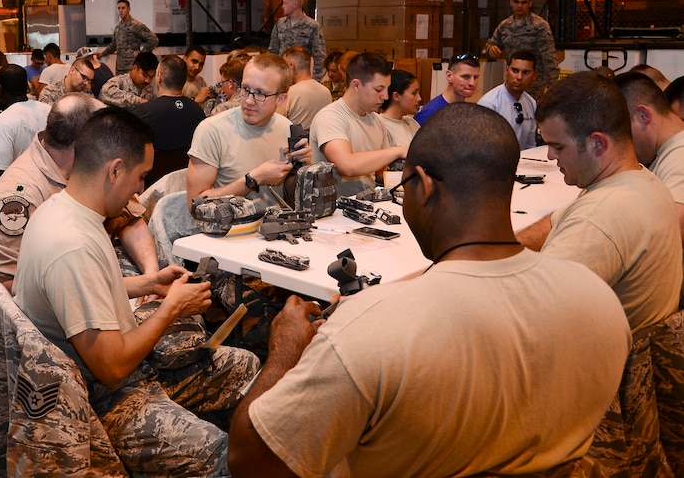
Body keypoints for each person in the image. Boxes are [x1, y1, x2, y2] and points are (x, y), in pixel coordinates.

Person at [227, 103, 632, 478]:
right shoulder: (601, 303)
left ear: (422, 185)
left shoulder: (365, 332)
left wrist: (285, 353)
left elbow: (251, 462)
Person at [12, 107, 259, 477]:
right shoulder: (73, 244)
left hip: (113, 371)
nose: (141, 189)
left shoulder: (64, 212)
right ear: (114, 170)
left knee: (244, 367)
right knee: (220, 454)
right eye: (141, 176)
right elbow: (111, 368)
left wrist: (148, 283)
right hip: (100, 398)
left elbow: (81, 290)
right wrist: (170, 308)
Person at [517, 71, 682, 333]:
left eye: (558, 147)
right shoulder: (643, 181)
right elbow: (556, 221)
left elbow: (527, 315)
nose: (549, 156)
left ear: (598, 144)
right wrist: (502, 249)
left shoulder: (598, 219)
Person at [0, 93, 157, 289]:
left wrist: (151, 275)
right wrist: (134, 286)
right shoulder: (19, 198)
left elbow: (131, 217)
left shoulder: (93, 167)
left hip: (92, 277)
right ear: (85, 139)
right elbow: (6, 286)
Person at [187, 53, 312, 210]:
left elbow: (290, 195)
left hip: (276, 226)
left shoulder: (286, 127)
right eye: (246, 89)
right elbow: (195, 205)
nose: (248, 101)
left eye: (260, 93)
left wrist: (303, 169)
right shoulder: (211, 130)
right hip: (230, 230)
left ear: (280, 99)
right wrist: (253, 179)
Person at [310, 52, 407, 195]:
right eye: (378, 89)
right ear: (356, 85)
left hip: (366, 206)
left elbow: (379, 174)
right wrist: (398, 150)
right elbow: (347, 165)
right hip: (333, 212)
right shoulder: (330, 117)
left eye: (387, 89)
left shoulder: (377, 120)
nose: (385, 96)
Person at [615, 70, 684, 246]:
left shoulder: (679, 153)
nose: (621, 140)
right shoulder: (666, 151)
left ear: (643, 116)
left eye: (621, 130)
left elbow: (676, 227)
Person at [484, 0, 559, 99]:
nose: (519, 6)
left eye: (524, 2)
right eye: (516, 2)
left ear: (530, 3)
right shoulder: (505, 26)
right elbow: (489, 46)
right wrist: (491, 49)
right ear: (511, 2)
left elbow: (549, 59)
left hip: (534, 87)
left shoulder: (540, 26)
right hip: (512, 85)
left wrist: (554, 88)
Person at [0, 64, 54, 177]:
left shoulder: (3, 122)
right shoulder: (49, 110)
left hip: (21, 187)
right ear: (27, 86)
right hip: (52, 181)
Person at [134, 54, 204, 154]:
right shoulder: (198, 111)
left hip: (157, 169)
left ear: (159, 78)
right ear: (184, 80)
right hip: (188, 168)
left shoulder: (144, 112)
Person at [476, 49, 539, 150]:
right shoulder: (489, 103)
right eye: (515, 71)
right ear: (506, 70)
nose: (519, 77)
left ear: (534, 75)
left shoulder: (531, 103)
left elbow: (530, 145)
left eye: (526, 72)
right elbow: (480, 145)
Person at [267, 0, 327, 81]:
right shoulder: (280, 24)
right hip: (282, 76)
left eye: (285, 3)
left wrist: (316, 80)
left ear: (295, 4)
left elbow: (320, 56)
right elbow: (272, 51)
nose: (283, 6)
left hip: (301, 76)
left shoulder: (312, 26)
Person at [414, 52, 480, 126]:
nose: (472, 83)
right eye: (465, 77)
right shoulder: (431, 113)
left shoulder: (466, 110)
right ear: (449, 76)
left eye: (475, 77)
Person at [96, 0, 159, 74]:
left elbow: (154, 39)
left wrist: (141, 54)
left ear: (129, 9)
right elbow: (114, 45)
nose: (121, 11)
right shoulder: (118, 27)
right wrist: (102, 54)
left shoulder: (136, 25)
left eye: (123, 8)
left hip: (132, 67)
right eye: (119, 8)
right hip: (120, 68)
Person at [278, 46, 332, 130]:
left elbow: (276, 123)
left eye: (284, 67)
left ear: (292, 66)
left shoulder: (289, 93)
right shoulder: (326, 92)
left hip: (293, 141)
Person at [379, 69, 421, 147]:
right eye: (414, 93)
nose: (419, 98)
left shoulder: (411, 122)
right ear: (396, 96)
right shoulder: (380, 125)